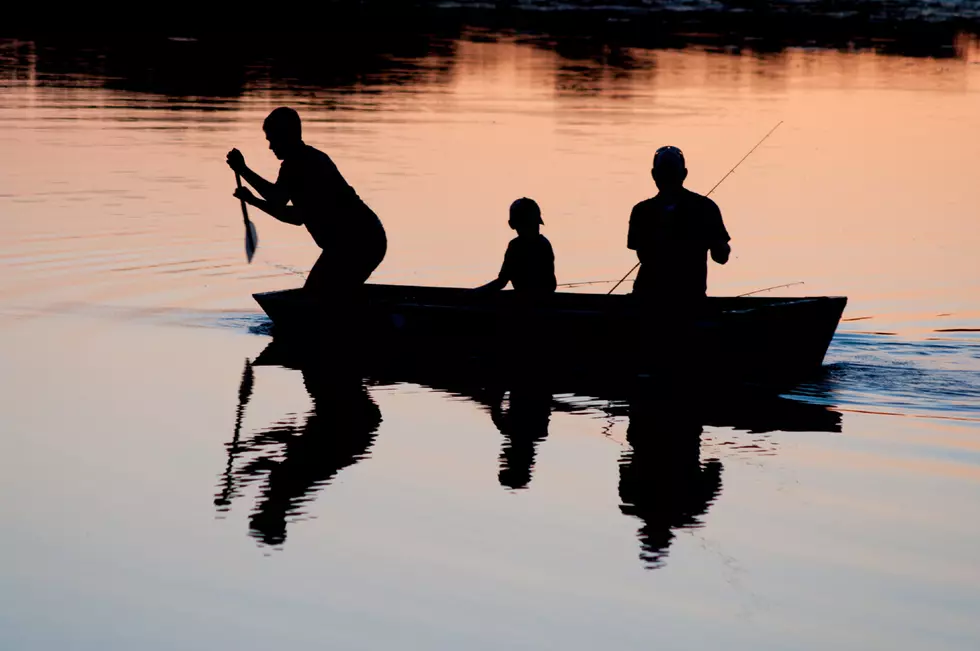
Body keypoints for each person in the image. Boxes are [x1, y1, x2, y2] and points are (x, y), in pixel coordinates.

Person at [226, 107, 387, 296]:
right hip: (359, 242)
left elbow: (276, 198)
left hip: (357, 242)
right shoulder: (303, 160)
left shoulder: (300, 163)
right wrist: (253, 200)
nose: (270, 147)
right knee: (323, 295)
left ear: (286, 136)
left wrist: (243, 170)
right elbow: (295, 216)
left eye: (272, 140)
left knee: (317, 297)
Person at [627, 146, 730, 306]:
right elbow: (721, 257)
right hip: (689, 299)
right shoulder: (706, 207)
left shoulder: (642, 210)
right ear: (684, 174)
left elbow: (643, 255)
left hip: (647, 299)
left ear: (654, 175)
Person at [475, 197, 557, 298]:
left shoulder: (515, 247)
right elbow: (551, 285)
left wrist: (475, 293)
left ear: (512, 224)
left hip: (529, 303)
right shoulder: (544, 244)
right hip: (541, 301)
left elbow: (502, 282)